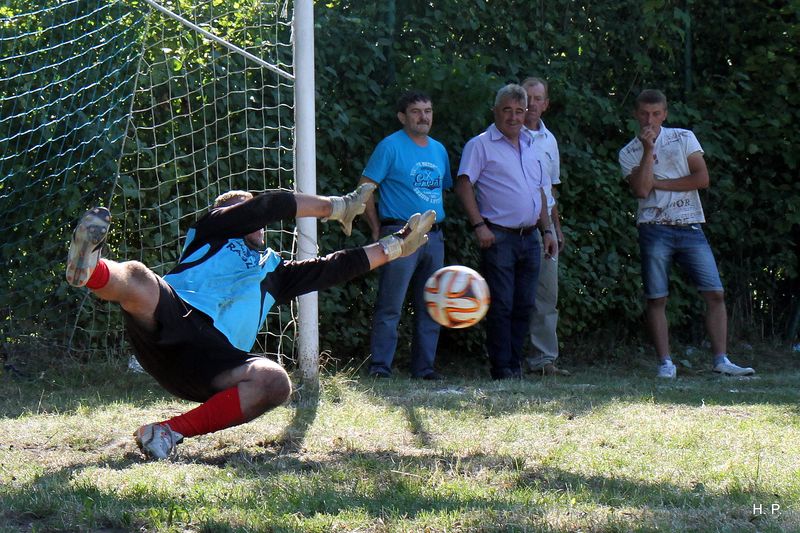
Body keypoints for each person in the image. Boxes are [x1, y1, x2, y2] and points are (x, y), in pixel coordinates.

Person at [65, 185, 436, 459]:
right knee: (140, 278)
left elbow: (336, 266)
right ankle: (90, 270)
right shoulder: (209, 231)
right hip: (174, 320)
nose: (256, 220)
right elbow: (268, 206)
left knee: (275, 382)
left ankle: (166, 432)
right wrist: (338, 206)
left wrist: (397, 246)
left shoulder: (276, 271)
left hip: (215, 364)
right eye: (246, 212)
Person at [619, 89, 755, 379]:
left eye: (656, 114)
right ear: (635, 114)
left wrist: (660, 183)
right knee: (657, 298)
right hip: (653, 228)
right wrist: (647, 151)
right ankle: (666, 364)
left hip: (690, 224)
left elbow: (701, 179)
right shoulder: (629, 152)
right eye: (644, 113)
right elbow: (642, 189)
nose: (650, 120)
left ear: (665, 114)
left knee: (715, 292)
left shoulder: (684, 137)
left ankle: (721, 359)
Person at [455, 84, 558, 380]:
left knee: (525, 304)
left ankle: (515, 365)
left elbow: (539, 192)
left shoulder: (532, 144)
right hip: (498, 236)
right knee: (501, 304)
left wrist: (548, 231)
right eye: (507, 110)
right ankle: (502, 369)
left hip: (532, 237)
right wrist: (479, 226)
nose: (513, 117)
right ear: (495, 111)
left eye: (518, 111)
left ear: (526, 112)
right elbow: (463, 185)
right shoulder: (481, 144)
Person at [358, 90, 452, 380]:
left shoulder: (439, 150)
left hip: (433, 237)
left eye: (428, 110)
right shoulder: (390, 146)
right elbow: (364, 188)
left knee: (431, 304)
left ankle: (424, 369)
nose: (423, 117)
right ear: (402, 116)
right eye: (416, 111)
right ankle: (380, 368)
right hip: (399, 233)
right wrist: (376, 228)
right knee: (390, 304)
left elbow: (441, 189)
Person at [521, 77, 569, 377]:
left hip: (546, 227)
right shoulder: (504, 134)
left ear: (546, 103)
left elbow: (550, 189)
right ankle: (508, 357)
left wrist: (556, 226)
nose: (533, 103)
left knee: (546, 296)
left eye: (538, 98)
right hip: (514, 224)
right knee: (512, 295)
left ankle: (543, 360)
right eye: (528, 97)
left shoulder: (549, 140)